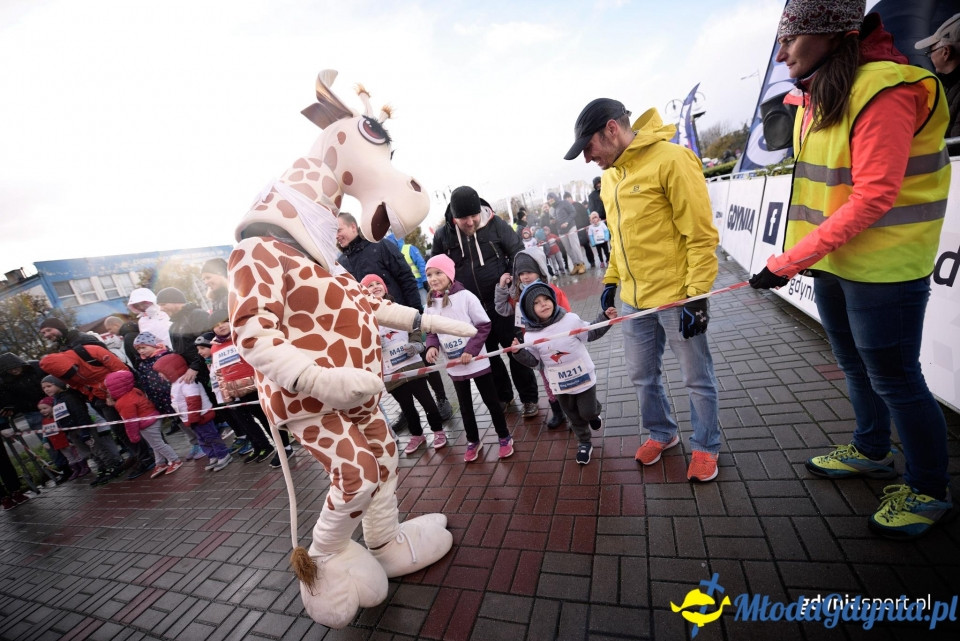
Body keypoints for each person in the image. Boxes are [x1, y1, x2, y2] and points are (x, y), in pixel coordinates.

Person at [750, 1, 953, 539]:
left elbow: (875, 196)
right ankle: (870, 449)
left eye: (792, 37)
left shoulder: (886, 88)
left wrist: (789, 260)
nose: (782, 51)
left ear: (833, 34)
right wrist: (803, 258)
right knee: (853, 364)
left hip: (886, 268)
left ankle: (930, 490)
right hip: (836, 263)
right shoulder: (815, 95)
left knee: (897, 379)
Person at [564, 96, 722, 482]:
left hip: (676, 297)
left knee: (696, 377)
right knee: (640, 374)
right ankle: (662, 433)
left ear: (612, 130)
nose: (588, 158)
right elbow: (619, 240)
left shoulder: (672, 159)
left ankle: (706, 445)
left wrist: (697, 295)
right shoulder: (611, 178)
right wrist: (612, 280)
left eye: (590, 147)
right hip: (634, 302)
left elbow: (701, 236)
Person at [432, 186, 540, 418]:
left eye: (473, 216)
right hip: (470, 310)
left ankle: (529, 398)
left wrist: (511, 279)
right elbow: (436, 265)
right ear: (454, 217)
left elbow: (518, 253)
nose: (470, 222)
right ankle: (504, 397)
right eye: (463, 218)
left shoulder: (496, 224)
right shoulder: (443, 235)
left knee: (515, 349)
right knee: (486, 356)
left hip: (502, 304)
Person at [422, 255, 514, 462]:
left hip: (476, 361)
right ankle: (473, 440)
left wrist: (471, 351)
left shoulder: (466, 297)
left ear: (449, 274)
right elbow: (431, 331)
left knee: (491, 401)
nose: (434, 278)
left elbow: (483, 325)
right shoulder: (429, 304)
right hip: (454, 367)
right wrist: (431, 347)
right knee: (465, 406)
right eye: (429, 274)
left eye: (438, 272)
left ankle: (504, 437)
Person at [512, 283, 617, 464]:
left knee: (587, 411)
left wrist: (604, 318)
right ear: (529, 310)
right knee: (574, 416)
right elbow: (534, 361)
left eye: (546, 299)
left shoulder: (570, 320)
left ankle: (594, 413)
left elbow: (590, 333)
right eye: (537, 303)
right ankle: (584, 442)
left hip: (583, 378)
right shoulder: (530, 337)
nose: (543, 304)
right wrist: (518, 353)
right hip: (560, 385)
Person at [361, 274, 448, 454]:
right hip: (391, 373)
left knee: (428, 402)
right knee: (407, 408)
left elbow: (415, 327)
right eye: (370, 286)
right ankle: (417, 435)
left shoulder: (398, 309)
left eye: (379, 283)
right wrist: (374, 343)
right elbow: (363, 344)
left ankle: (438, 431)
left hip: (412, 367)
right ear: (364, 293)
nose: (375, 287)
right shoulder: (364, 318)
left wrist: (417, 344)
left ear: (385, 288)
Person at [494, 249, 571, 429]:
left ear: (540, 270)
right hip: (538, 347)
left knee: (566, 378)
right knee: (547, 379)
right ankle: (558, 412)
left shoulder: (552, 291)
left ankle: (573, 412)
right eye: (521, 273)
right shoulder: (519, 296)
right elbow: (502, 309)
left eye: (529, 271)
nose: (525, 277)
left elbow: (568, 313)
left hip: (559, 345)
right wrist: (502, 288)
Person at [208, 310, 280, 465]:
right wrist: (226, 396)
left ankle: (282, 448)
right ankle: (262, 447)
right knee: (246, 423)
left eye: (223, 322)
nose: (220, 327)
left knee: (265, 419)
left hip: (254, 388)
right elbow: (219, 373)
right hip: (235, 394)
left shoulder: (240, 337)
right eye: (216, 325)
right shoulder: (214, 348)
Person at [40, 375, 124, 486]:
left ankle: (113, 466)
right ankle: (102, 468)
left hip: (83, 428)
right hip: (72, 432)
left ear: (58, 384)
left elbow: (80, 414)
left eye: (49, 386)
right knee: (89, 453)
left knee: (97, 449)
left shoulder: (69, 397)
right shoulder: (56, 400)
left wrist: (85, 431)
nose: (46, 389)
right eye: (44, 388)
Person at [154, 353, 232, 471]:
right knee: (202, 439)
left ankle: (223, 454)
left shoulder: (187, 382)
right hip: (192, 419)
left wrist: (193, 418)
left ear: (171, 369)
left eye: (161, 372)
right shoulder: (176, 383)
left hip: (201, 417)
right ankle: (212, 456)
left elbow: (194, 401)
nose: (160, 375)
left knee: (211, 436)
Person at [104, 370, 182, 478]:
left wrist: (133, 436)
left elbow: (130, 421)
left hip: (147, 424)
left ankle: (175, 460)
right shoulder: (133, 391)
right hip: (152, 418)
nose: (107, 390)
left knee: (158, 444)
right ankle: (160, 463)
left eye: (109, 387)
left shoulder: (124, 402)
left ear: (117, 386)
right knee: (154, 444)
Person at [915, 12, 960, 137]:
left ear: (946, 52)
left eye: (931, 51)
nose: (929, 56)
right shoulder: (944, 84)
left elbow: (953, 147)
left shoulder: (943, 86)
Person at [547, 192, 586, 275]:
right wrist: (552, 222)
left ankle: (582, 264)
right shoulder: (552, 209)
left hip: (570, 227)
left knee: (575, 246)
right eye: (548, 199)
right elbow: (552, 220)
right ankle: (576, 265)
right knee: (568, 249)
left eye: (551, 198)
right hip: (561, 231)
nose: (550, 200)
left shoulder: (564, 203)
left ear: (555, 197)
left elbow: (573, 212)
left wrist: (567, 222)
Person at [568, 193, 596, 269]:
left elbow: (585, 215)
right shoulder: (567, 208)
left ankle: (592, 261)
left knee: (586, 245)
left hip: (581, 228)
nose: (567, 201)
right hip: (573, 229)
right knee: (576, 248)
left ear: (570, 198)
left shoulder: (578, 205)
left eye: (568, 198)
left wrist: (586, 225)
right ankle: (581, 264)